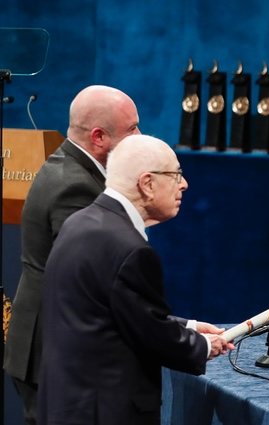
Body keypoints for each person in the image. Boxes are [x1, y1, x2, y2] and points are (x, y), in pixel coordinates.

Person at [37, 135, 233, 424]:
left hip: (67, 405)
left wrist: (187, 326)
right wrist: (202, 346)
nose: (184, 184)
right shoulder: (130, 249)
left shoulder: (80, 223)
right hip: (105, 412)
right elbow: (150, 334)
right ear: (147, 184)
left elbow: (110, 313)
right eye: (175, 174)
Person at [4, 85, 141, 424]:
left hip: (46, 346)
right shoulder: (75, 187)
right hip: (54, 352)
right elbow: (89, 282)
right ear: (98, 137)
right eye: (132, 129)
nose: (141, 136)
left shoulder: (69, 167)